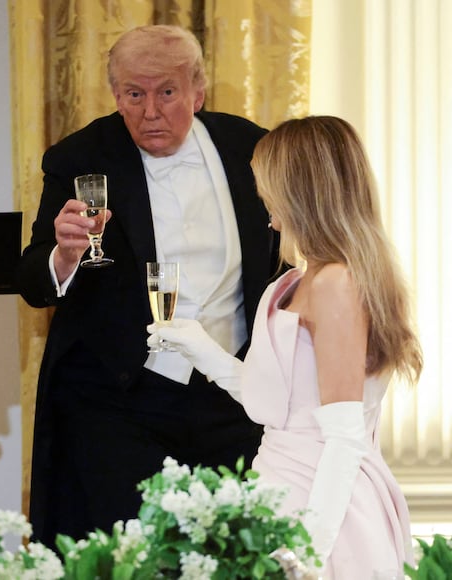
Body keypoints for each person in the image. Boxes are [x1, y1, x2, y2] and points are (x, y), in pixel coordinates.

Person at [15, 24, 279, 548]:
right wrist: (63, 254)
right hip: (120, 398)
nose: (150, 111)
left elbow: (283, 252)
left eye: (167, 92)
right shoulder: (79, 157)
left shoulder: (249, 146)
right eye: (135, 94)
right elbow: (31, 278)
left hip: (233, 395)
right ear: (116, 94)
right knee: (131, 555)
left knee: (230, 551)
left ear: (198, 91)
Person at [150, 115, 422, 576]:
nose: (266, 209)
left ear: (302, 193)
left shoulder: (337, 283)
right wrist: (205, 353)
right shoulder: (296, 279)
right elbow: (284, 403)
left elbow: (343, 437)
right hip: (276, 487)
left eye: (269, 191)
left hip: (323, 507)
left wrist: (305, 555)